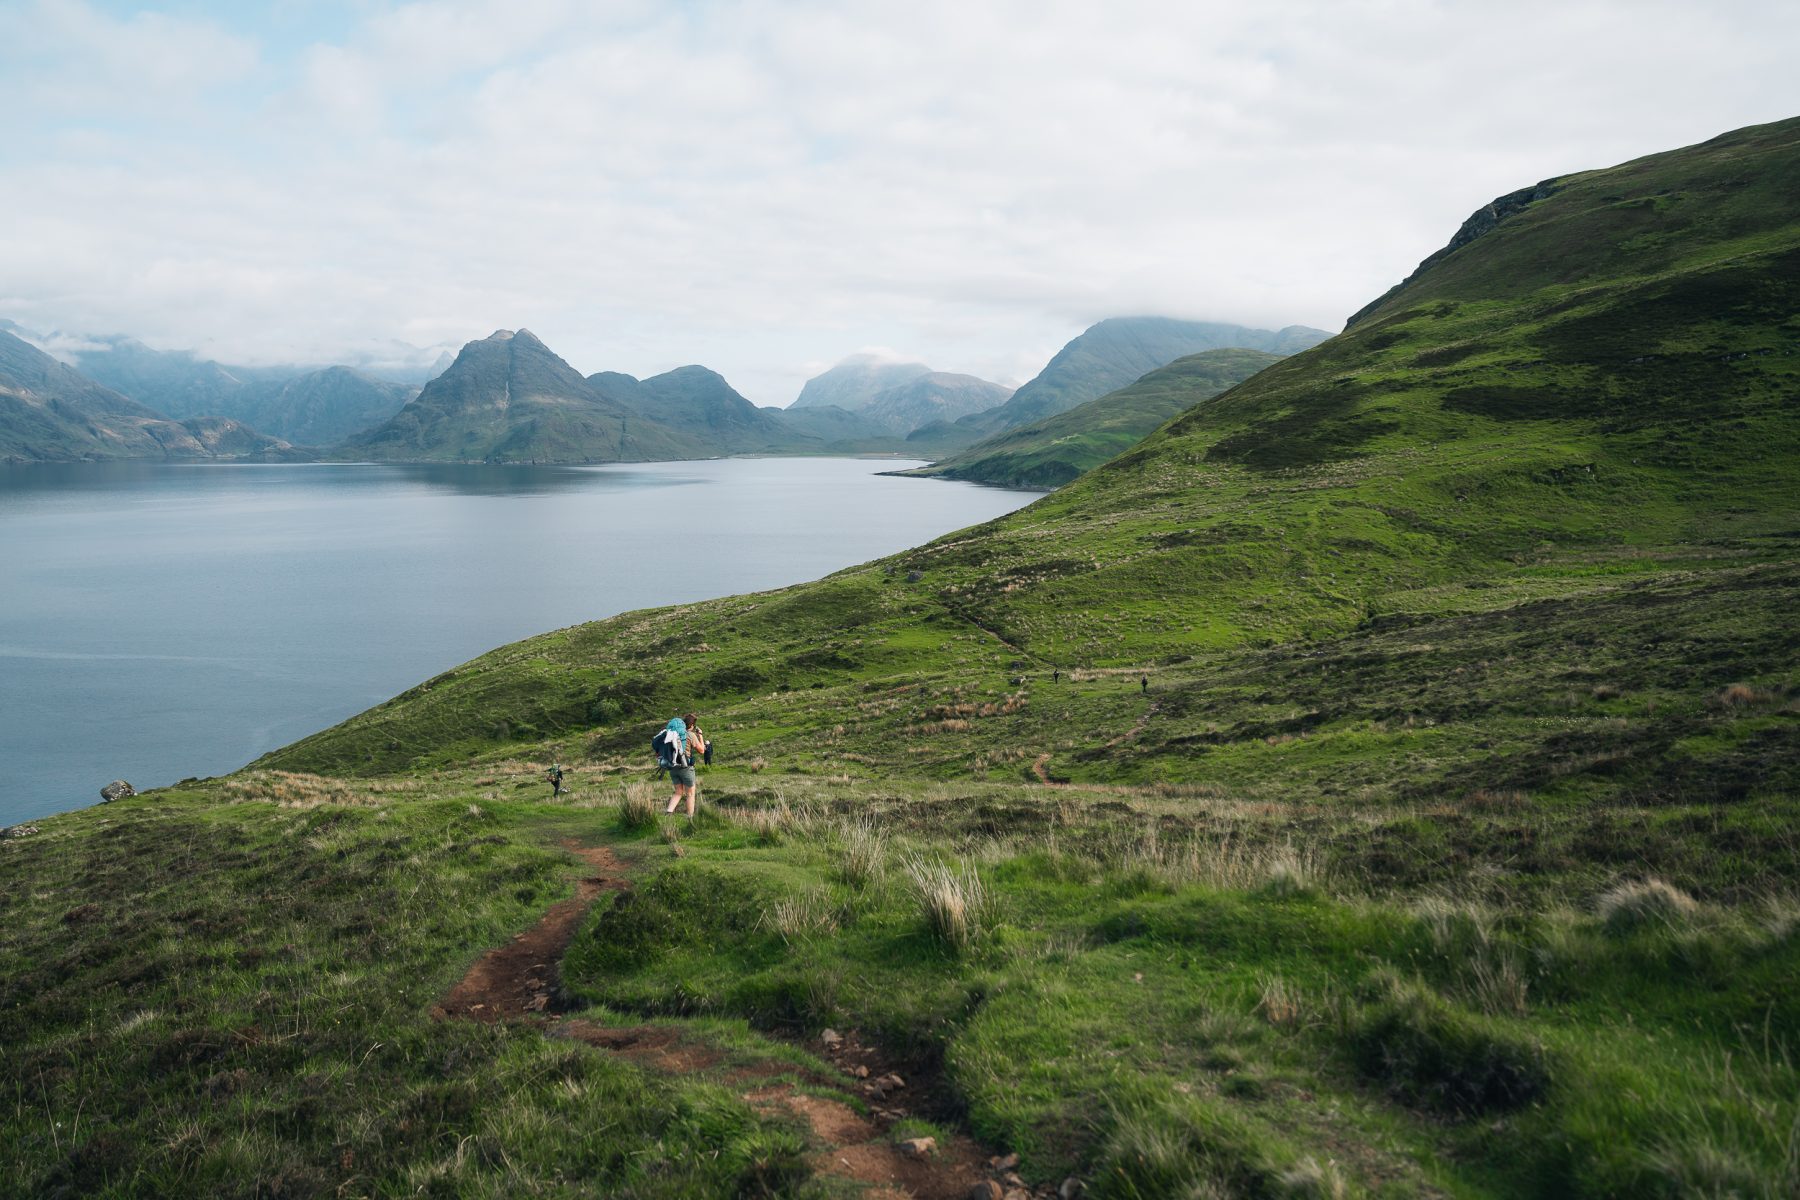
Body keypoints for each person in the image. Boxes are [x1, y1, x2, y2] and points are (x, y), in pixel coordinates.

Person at [663, 713, 708, 816]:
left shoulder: (673, 734)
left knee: (678, 792)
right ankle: (690, 818)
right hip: (686, 768)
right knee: (690, 794)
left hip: (673, 767)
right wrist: (700, 735)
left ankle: (669, 813)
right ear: (692, 725)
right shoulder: (690, 735)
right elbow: (702, 750)